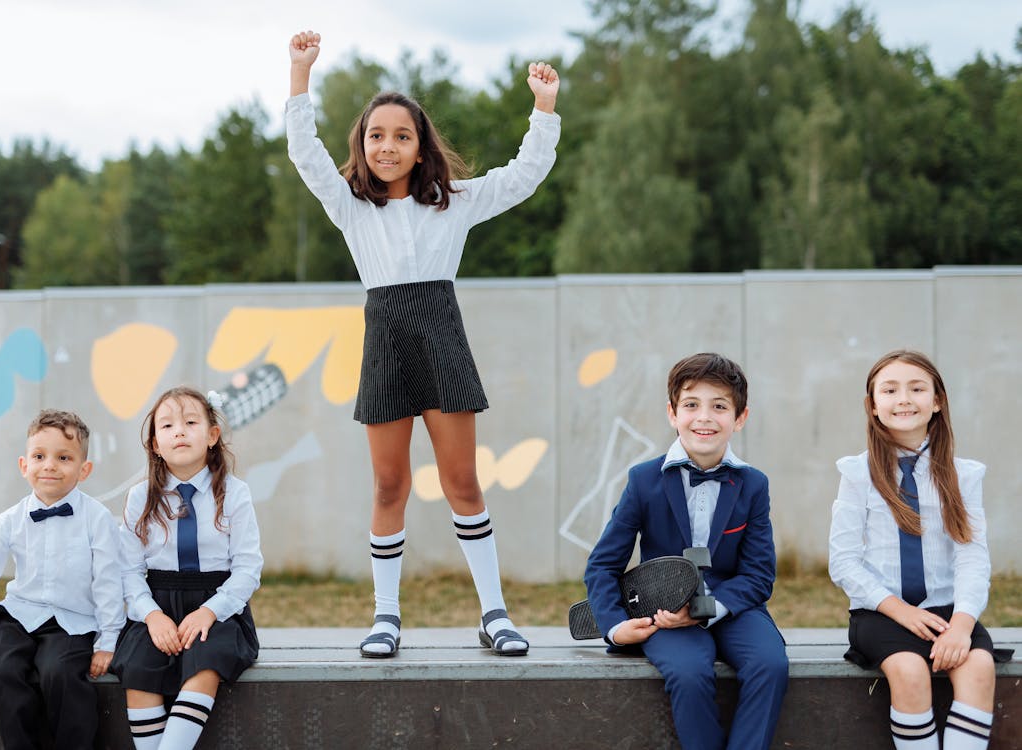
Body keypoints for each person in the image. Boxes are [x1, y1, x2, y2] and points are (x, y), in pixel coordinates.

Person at [285, 30, 561, 658]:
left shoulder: (453, 203)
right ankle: (386, 617)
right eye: (376, 136)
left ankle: (494, 614)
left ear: (420, 147)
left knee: (463, 482)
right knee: (390, 486)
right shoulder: (350, 207)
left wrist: (543, 111)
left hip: (440, 338)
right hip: (384, 342)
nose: (387, 146)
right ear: (362, 145)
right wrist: (300, 75)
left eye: (401, 136)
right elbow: (304, 152)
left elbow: (522, 178)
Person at [584, 353, 788, 749]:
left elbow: (759, 575)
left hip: (732, 606)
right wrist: (615, 626)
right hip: (663, 612)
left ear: (740, 417)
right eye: (692, 405)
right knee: (689, 672)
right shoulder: (644, 480)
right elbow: (603, 564)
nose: (704, 418)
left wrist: (705, 609)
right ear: (672, 413)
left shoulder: (753, 484)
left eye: (720, 407)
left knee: (770, 664)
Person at [829, 350, 1009, 749]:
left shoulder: (963, 475)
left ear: (937, 401)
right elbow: (843, 562)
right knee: (910, 672)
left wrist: (961, 625)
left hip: (947, 612)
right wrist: (902, 611)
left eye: (917, 389)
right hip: (882, 611)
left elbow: (973, 558)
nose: (904, 399)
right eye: (890, 390)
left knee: (979, 667)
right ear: (873, 405)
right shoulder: (857, 473)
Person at [0, 409, 124, 750]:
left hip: (72, 621)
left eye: (64, 457)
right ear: (24, 465)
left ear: (84, 469)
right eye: (39, 456)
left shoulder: (97, 519)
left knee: (60, 674)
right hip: (18, 616)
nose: (49, 465)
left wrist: (107, 640)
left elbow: (108, 583)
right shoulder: (10, 520)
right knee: (3, 674)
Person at [110, 387, 262, 750]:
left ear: (212, 435)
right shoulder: (140, 498)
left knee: (206, 661)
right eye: (167, 426)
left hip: (217, 606)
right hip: (157, 605)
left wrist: (210, 611)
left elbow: (248, 568)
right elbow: (128, 571)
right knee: (139, 668)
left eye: (191, 422)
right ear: (155, 445)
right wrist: (151, 616)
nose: (179, 431)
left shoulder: (235, 493)